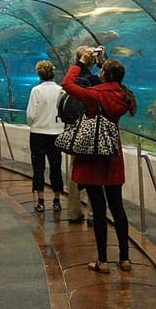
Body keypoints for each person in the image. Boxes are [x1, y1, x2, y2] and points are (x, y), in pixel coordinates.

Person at [62, 46, 137, 273]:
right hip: (113, 155)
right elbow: (109, 84)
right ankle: (124, 258)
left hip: (93, 155)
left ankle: (103, 260)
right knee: (118, 207)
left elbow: (67, 84)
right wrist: (103, 64)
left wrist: (82, 63)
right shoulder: (124, 95)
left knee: (98, 207)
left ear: (103, 73)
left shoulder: (95, 95)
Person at [66, 45, 99, 225]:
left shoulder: (73, 80)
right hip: (93, 133)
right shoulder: (94, 80)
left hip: (74, 131)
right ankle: (94, 214)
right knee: (94, 172)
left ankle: (73, 211)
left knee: (75, 172)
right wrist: (102, 64)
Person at [26, 60, 65, 212]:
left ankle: (41, 201)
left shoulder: (36, 90)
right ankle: (57, 200)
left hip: (38, 134)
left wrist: (34, 123)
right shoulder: (61, 90)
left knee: (38, 167)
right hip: (56, 133)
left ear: (39, 74)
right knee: (56, 167)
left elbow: (30, 114)